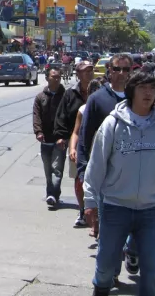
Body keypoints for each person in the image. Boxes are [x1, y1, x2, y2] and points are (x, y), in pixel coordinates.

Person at [83, 71, 155, 296]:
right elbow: (96, 164)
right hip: (115, 208)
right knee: (106, 265)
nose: (148, 93)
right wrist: (90, 201)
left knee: (151, 271)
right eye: (142, 88)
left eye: (153, 89)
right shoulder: (112, 124)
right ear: (131, 92)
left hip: (151, 210)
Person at [77, 53, 142, 275]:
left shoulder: (140, 98)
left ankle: (133, 250)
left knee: (138, 221)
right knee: (108, 229)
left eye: (126, 69)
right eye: (117, 69)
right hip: (106, 176)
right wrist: (84, 169)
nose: (122, 74)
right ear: (109, 72)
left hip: (136, 174)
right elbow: (86, 137)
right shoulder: (97, 100)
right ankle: (111, 272)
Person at [58, 63, 93, 228]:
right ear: (78, 73)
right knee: (79, 178)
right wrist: (63, 138)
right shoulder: (70, 93)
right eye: (85, 71)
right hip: (77, 142)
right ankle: (82, 210)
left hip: (98, 142)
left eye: (90, 70)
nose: (89, 73)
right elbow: (62, 115)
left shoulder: (101, 90)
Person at [33, 67, 67, 209]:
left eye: (59, 77)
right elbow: (36, 115)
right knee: (48, 170)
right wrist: (38, 132)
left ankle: (51, 195)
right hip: (45, 139)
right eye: (54, 76)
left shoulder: (66, 96)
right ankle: (53, 194)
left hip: (60, 139)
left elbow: (69, 117)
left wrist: (64, 136)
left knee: (57, 169)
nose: (57, 79)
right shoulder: (40, 97)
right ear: (47, 78)